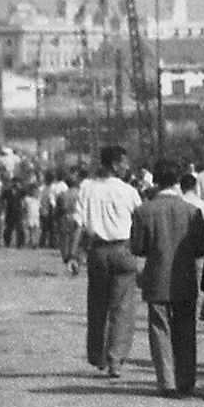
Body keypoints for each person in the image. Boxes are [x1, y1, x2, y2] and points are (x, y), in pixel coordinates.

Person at [130, 160, 204, 398]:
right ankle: (186, 381)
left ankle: (167, 381)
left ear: (155, 181)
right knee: (186, 330)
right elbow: (201, 247)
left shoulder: (144, 210)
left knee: (160, 329)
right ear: (177, 181)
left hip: (156, 278)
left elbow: (137, 248)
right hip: (185, 278)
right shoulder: (192, 211)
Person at [74, 146, 144, 377]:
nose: (127, 167)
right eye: (124, 163)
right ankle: (115, 360)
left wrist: (75, 254)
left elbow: (79, 223)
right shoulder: (129, 191)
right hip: (123, 251)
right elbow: (140, 220)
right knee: (122, 309)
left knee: (97, 306)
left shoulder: (87, 188)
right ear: (114, 164)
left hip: (97, 251)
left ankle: (98, 356)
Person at [22, 185, 43, 249]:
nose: (34, 192)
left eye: (35, 190)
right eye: (33, 190)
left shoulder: (38, 199)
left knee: (36, 230)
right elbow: (24, 208)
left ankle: (35, 243)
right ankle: (30, 242)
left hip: (36, 216)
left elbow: (40, 208)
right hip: (29, 215)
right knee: (30, 230)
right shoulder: (26, 199)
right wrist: (24, 216)